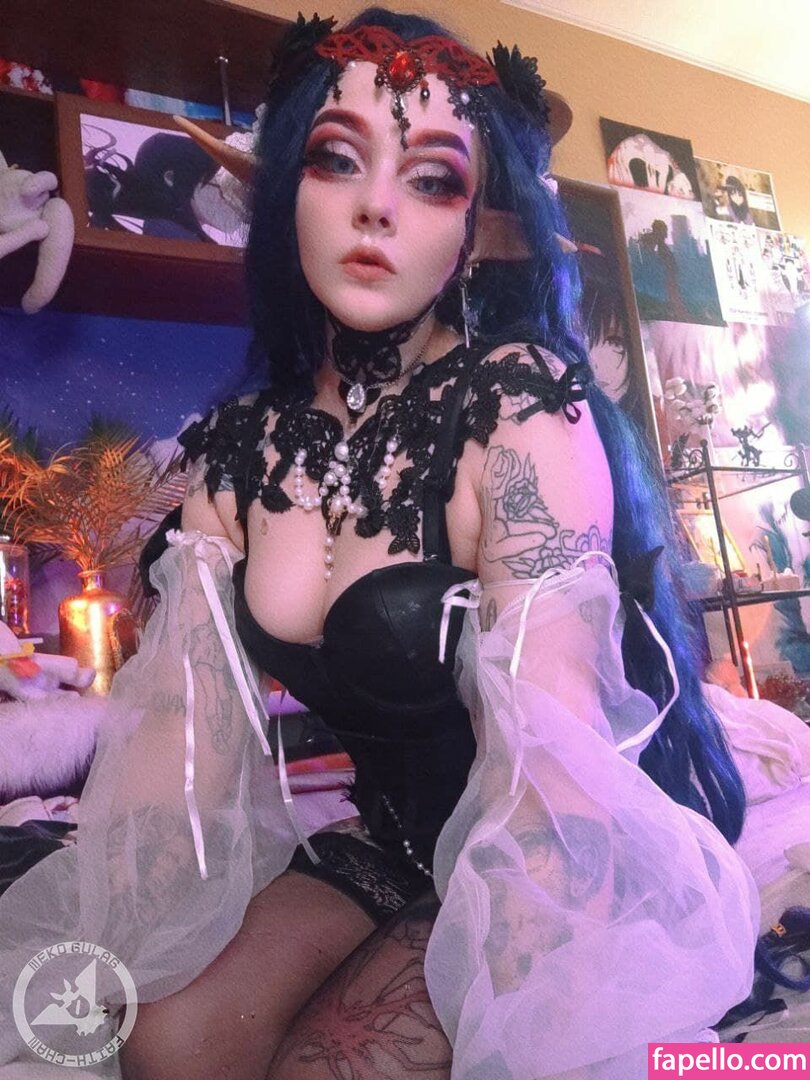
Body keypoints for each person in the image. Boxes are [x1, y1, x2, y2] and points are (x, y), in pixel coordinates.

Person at [0, 10, 758, 1080]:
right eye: (336, 158)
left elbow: (560, 769)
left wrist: (529, 977)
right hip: (390, 837)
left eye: (434, 178)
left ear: (478, 228)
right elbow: (181, 753)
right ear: (283, 195)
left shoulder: (519, 407)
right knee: (167, 1044)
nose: (376, 206)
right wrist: (132, 931)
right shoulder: (239, 448)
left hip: (546, 847)